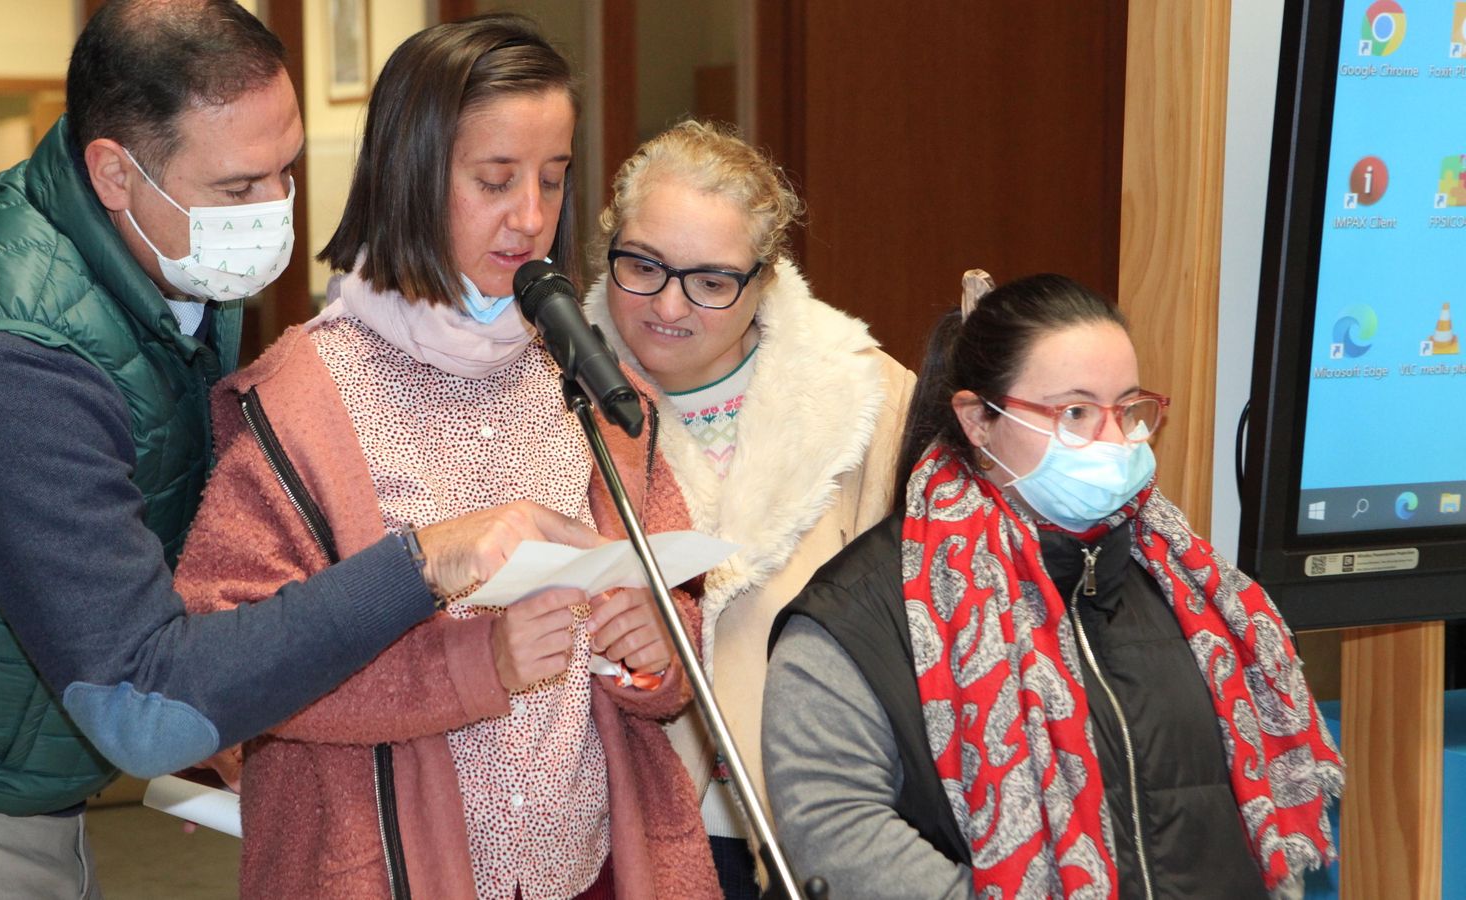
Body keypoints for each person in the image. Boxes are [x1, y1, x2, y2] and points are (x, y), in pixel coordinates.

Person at [0, 3, 593, 897]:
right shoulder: (11, 363)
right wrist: (425, 560)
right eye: (240, 188)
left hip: (32, 780)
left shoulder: (170, 255)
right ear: (115, 175)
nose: (276, 210)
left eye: (286, 169)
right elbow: (145, 704)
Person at [172, 16, 719, 899]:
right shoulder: (303, 402)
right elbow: (227, 672)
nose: (532, 216)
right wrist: (480, 664)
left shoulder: (587, 377)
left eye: (553, 176)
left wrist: (658, 646)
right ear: (411, 179)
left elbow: (674, 605)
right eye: (494, 180)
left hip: (597, 863)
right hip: (382, 865)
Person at [762, 271, 1344, 899]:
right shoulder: (861, 612)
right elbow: (834, 824)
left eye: (1126, 410)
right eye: (1075, 412)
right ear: (978, 420)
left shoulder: (1189, 587)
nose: (1115, 440)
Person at [581, 120, 915, 895]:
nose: (668, 305)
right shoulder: (546, 390)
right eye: (643, 266)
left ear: (764, 278)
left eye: (710, 281)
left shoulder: (866, 401)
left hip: (812, 826)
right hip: (622, 833)